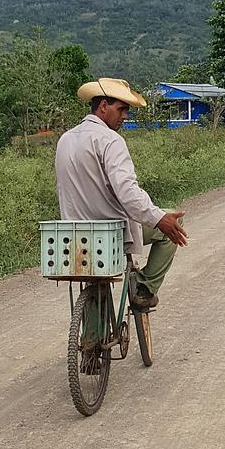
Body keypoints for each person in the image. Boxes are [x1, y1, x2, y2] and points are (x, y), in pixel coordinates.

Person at [56, 78, 188, 308]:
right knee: (173, 226)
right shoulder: (110, 140)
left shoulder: (65, 139)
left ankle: (89, 330)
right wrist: (159, 218)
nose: (125, 116)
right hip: (110, 233)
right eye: (121, 109)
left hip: (75, 234)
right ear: (103, 106)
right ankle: (145, 289)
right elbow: (127, 192)